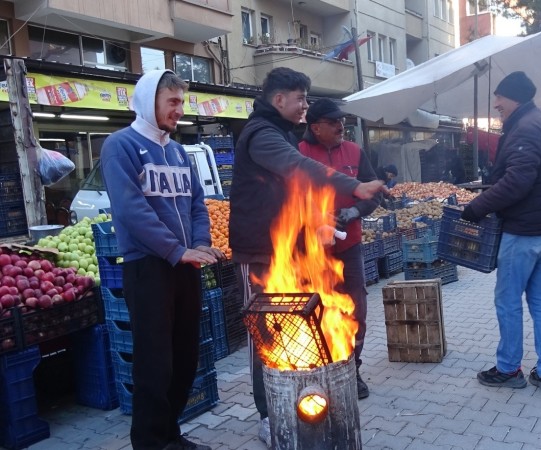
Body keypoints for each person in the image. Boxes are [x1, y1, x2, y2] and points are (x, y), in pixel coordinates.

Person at [228, 67, 387, 446]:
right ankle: (268, 414)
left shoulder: (282, 132)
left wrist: (318, 219)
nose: (305, 105)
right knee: (264, 334)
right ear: (279, 99)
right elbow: (299, 167)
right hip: (259, 253)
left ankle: (297, 400)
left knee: (291, 329)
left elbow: (293, 193)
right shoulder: (261, 134)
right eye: (300, 98)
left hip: (288, 251)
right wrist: (355, 186)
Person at [100, 69, 223, 450]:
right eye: (172, 102)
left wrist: (199, 244)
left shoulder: (179, 152)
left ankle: (171, 435)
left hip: (186, 266)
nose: (179, 110)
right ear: (148, 101)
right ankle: (150, 443)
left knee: (185, 357)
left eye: (181, 102)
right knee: (155, 363)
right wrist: (175, 250)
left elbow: (197, 203)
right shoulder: (120, 146)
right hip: (148, 268)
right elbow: (131, 210)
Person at [459, 71, 541, 396]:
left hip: (525, 231)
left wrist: (476, 207)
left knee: (507, 301)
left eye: (500, 97)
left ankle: (508, 369)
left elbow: (518, 181)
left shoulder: (526, 127)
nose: (496, 104)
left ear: (514, 97)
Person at [298, 98, 380, 399]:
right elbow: (290, 198)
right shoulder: (298, 153)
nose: (340, 126)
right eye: (333, 122)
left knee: (356, 308)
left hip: (349, 245)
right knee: (318, 309)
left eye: (341, 121)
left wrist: (354, 212)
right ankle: (320, 368)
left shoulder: (355, 152)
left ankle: (351, 369)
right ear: (315, 127)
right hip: (313, 250)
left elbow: (372, 193)